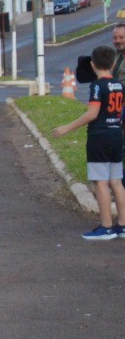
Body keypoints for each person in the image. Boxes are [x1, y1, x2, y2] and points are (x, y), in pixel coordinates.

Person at [53, 44, 125, 240]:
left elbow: (93, 113)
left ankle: (106, 227)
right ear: (112, 63)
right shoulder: (119, 85)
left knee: (100, 182)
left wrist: (66, 128)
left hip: (99, 137)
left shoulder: (97, 86)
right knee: (116, 181)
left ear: (93, 65)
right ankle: (122, 225)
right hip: (116, 134)